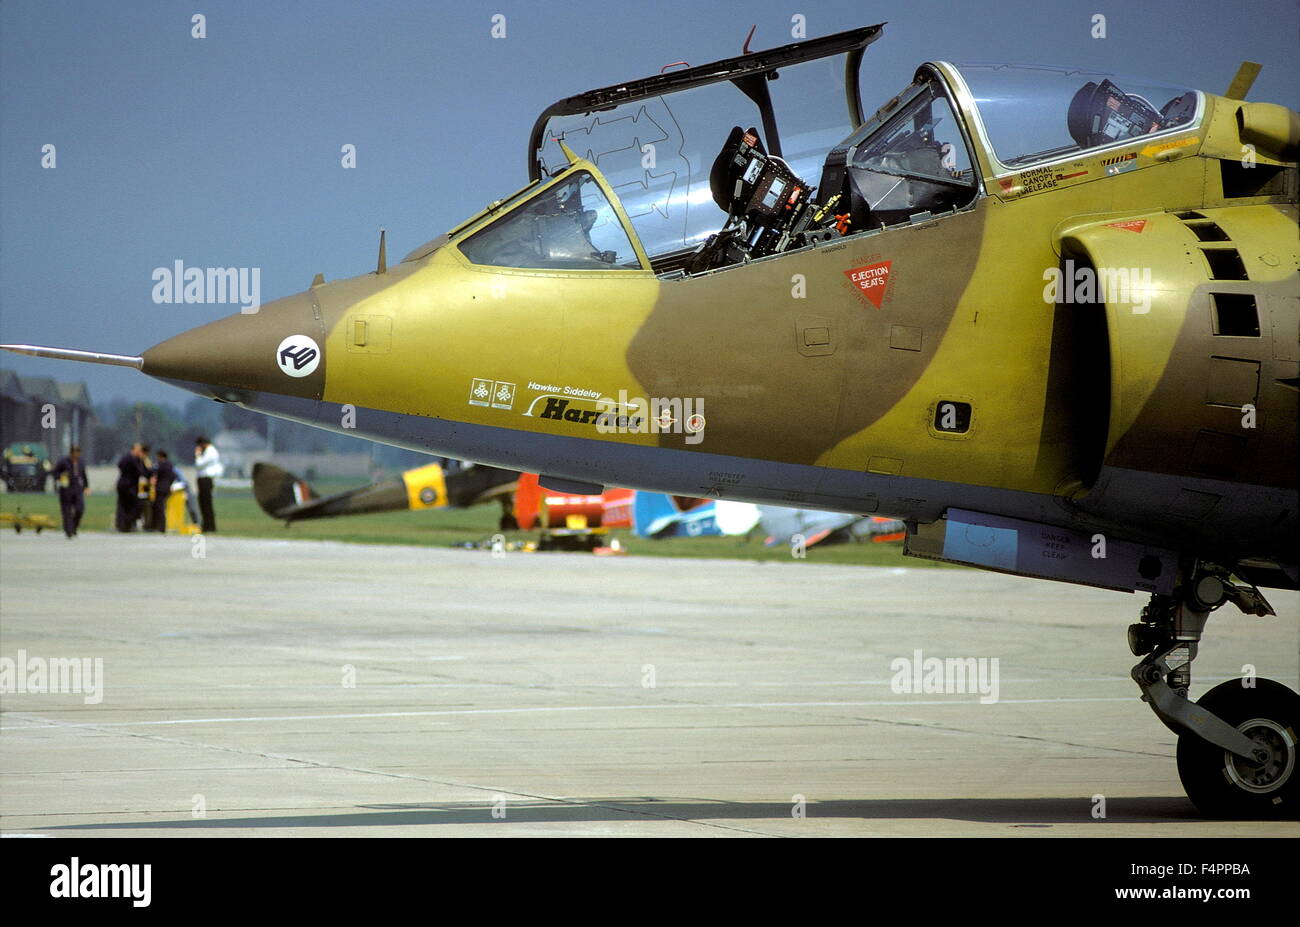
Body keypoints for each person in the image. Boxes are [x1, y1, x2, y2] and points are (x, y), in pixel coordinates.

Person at [51, 445, 90, 538]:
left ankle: (74, 527)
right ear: (71, 453)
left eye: (79, 453)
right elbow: (54, 472)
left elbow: (84, 475)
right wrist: (60, 476)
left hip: (77, 488)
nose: (77, 455)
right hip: (66, 489)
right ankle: (68, 531)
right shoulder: (63, 461)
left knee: (80, 509)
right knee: (66, 511)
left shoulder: (81, 462)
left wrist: (86, 487)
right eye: (75, 453)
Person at [115, 443, 150, 532]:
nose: (140, 452)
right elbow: (139, 471)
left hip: (130, 485)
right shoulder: (129, 458)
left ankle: (126, 524)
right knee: (129, 505)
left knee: (129, 505)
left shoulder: (137, 459)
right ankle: (124, 525)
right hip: (127, 485)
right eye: (138, 450)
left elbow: (144, 471)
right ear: (134, 450)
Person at [194, 436, 222, 532]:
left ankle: (209, 526)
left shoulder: (211, 452)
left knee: (206, 503)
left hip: (206, 479)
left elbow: (199, 464)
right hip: (203, 479)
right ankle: (206, 525)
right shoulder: (207, 452)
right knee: (203, 503)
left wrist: (197, 455)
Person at [151, 450, 177, 533]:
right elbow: (174, 476)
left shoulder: (160, 465)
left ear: (160, 456)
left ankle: (160, 527)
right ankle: (160, 526)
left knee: (159, 508)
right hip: (167, 488)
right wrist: (170, 484)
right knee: (163, 507)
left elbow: (154, 474)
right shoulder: (170, 465)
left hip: (160, 488)